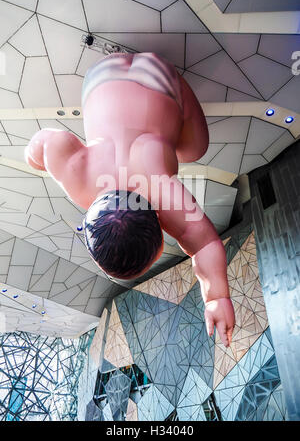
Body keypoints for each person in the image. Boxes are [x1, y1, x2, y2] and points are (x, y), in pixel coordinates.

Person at [25, 52, 235, 347]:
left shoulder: (161, 191)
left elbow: (205, 245)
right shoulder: (77, 178)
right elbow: (47, 141)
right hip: (100, 72)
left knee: (194, 150)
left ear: (161, 237)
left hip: (159, 71)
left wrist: (217, 298)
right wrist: (35, 158)